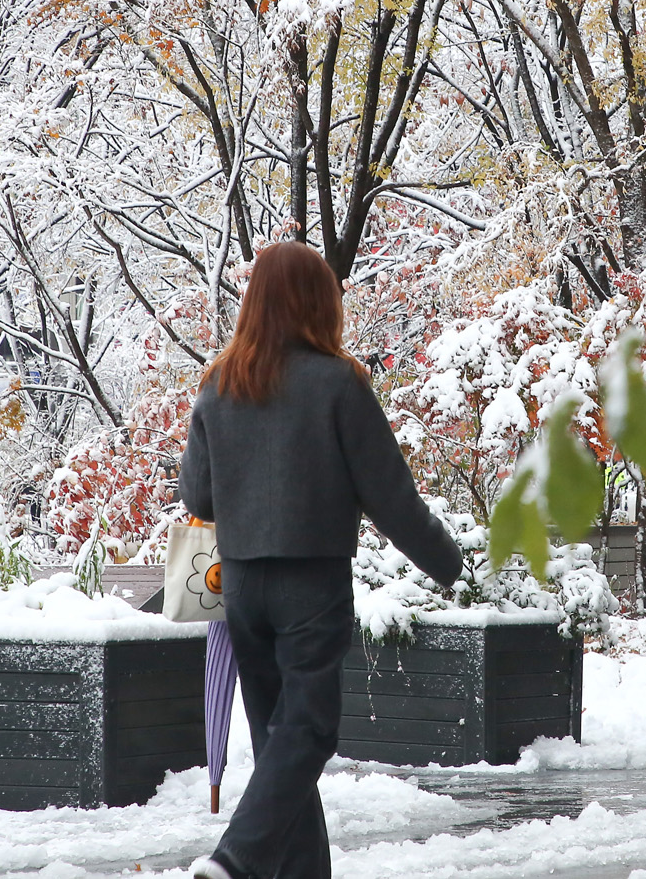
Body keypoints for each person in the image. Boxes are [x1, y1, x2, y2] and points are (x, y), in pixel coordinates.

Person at [180, 242, 461, 879]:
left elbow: (196, 495)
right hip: (312, 583)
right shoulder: (339, 384)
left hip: (244, 583)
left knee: (285, 743)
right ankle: (235, 859)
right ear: (319, 305)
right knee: (306, 734)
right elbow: (391, 498)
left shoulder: (220, 383)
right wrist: (453, 566)